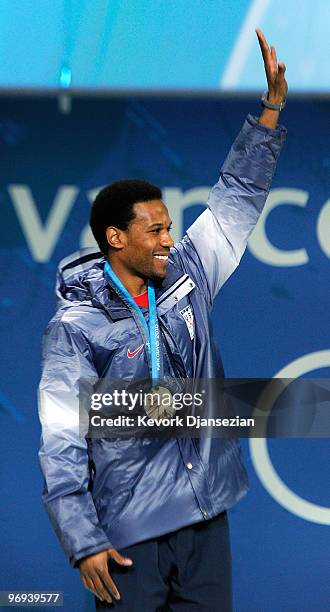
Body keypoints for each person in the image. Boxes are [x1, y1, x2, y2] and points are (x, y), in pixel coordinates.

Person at [38, 29, 287, 611]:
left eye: (170, 226)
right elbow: (60, 437)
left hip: (206, 518)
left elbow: (236, 195)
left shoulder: (189, 274)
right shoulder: (74, 328)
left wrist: (269, 113)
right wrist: (82, 539)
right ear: (114, 238)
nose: (170, 240)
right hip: (129, 535)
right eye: (155, 231)